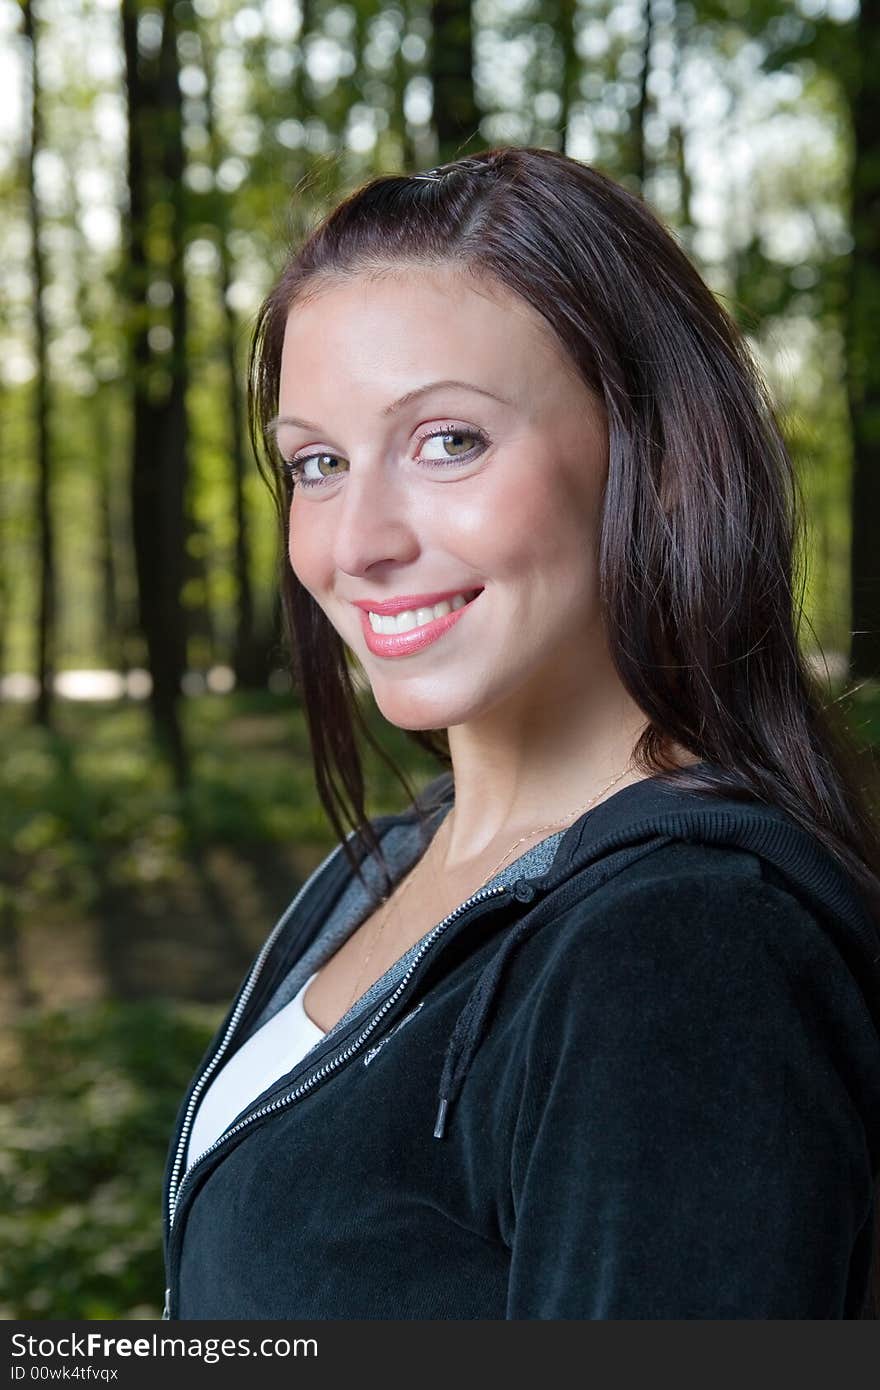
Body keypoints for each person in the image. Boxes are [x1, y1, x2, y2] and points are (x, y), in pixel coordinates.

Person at [162, 147, 880, 1320]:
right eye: (319, 463)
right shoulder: (388, 864)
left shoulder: (681, 948)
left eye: (449, 440)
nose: (357, 543)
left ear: (647, 452)